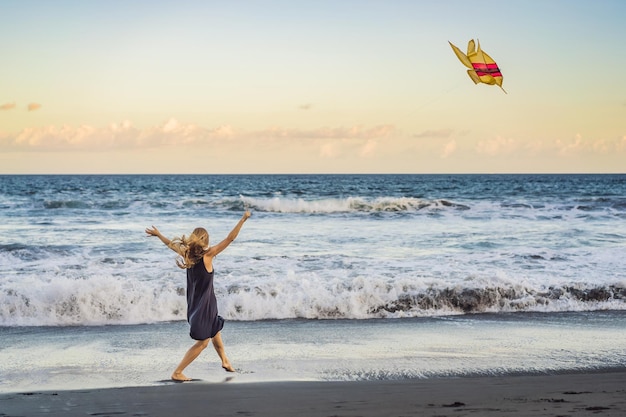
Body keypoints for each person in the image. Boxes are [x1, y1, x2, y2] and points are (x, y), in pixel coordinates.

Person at [145, 210, 251, 382]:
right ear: (206, 241)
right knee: (203, 342)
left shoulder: (188, 256)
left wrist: (158, 235)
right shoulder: (207, 256)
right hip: (202, 308)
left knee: (215, 328)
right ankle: (177, 372)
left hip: (199, 306)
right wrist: (243, 219)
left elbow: (170, 244)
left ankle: (225, 361)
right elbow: (230, 238)